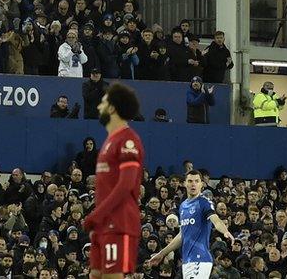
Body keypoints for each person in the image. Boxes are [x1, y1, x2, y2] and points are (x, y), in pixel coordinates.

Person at [82, 82, 144, 279]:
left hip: (119, 223)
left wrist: (96, 214)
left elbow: (126, 185)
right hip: (103, 223)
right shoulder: (109, 141)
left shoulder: (128, 141)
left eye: (103, 102)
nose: (99, 107)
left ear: (112, 108)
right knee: (95, 275)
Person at [147, 170, 235, 278]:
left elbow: (215, 219)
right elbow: (182, 235)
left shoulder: (204, 202)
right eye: (190, 181)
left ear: (201, 184)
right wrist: (161, 253)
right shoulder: (183, 206)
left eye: (196, 181)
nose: (193, 184)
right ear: (184, 183)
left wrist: (225, 231)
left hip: (200, 259)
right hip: (187, 261)